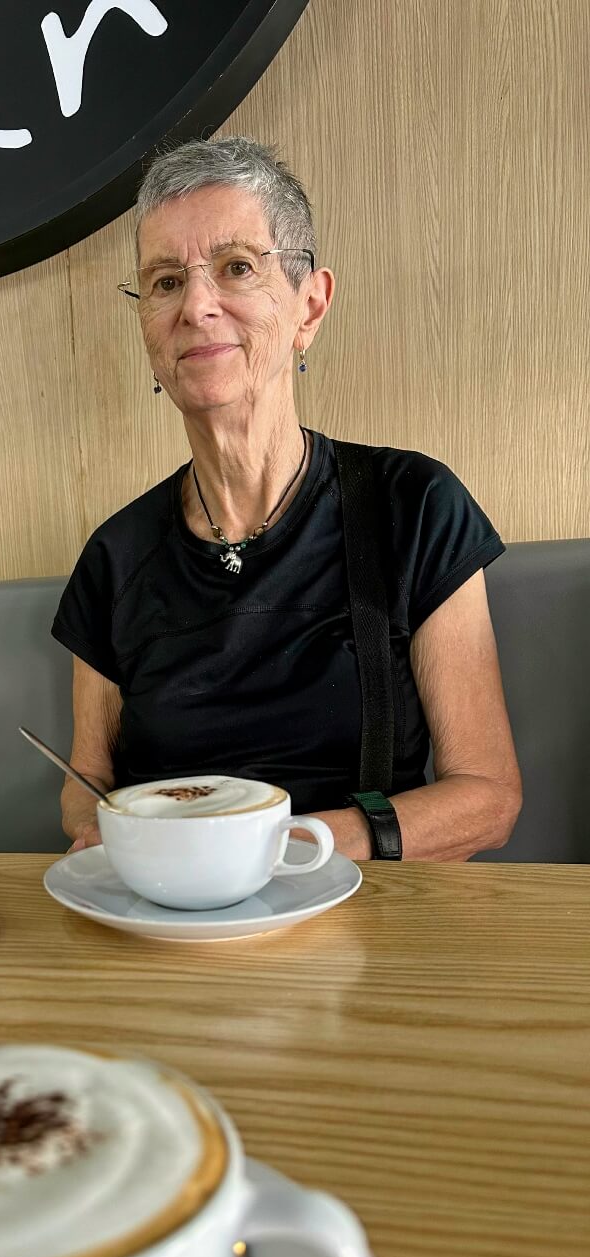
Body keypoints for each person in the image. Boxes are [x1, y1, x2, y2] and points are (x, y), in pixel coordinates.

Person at [52, 137, 521, 862]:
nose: (196, 306)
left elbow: (487, 799)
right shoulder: (115, 556)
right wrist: (99, 830)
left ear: (311, 305)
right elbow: (87, 780)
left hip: (362, 904)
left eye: (237, 267)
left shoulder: (414, 506)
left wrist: (289, 847)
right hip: (170, 905)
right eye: (166, 281)